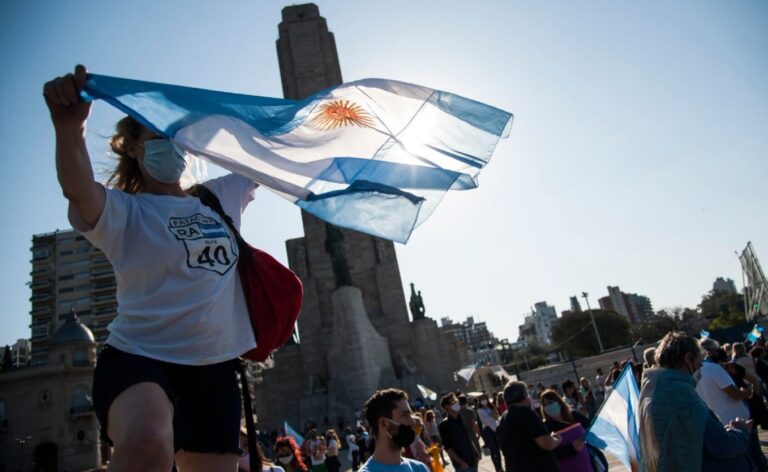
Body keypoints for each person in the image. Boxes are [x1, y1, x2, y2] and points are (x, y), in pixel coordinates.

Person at [44, 65, 260, 471]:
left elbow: (268, 152)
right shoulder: (124, 212)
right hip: (140, 358)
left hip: (214, 371)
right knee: (147, 444)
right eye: (158, 137)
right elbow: (78, 189)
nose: (172, 147)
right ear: (134, 148)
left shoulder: (219, 197)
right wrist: (68, 129)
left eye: (176, 137)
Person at [639, 331, 753, 471]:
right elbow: (722, 446)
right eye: (699, 363)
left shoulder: (651, 390)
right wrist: (741, 430)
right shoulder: (680, 394)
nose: (700, 370)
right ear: (687, 359)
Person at [358, 388, 429, 472]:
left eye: (411, 414)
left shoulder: (419, 468)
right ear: (384, 424)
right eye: (405, 415)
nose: (413, 422)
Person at [496, 381, 561, 472]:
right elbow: (547, 444)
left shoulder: (502, 419)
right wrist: (556, 439)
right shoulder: (526, 414)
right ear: (524, 396)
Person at [539, 389, 592, 472]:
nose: (548, 406)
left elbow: (592, 427)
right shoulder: (545, 427)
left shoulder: (574, 416)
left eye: (550, 402)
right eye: (545, 405)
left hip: (585, 466)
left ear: (559, 402)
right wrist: (572, 448)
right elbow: (548, 455)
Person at [438, 393, 480, 472]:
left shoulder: (461, 419)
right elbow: (448, 448)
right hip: (462, 465)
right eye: (453, 402)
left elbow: (468, 438)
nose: (456, 404)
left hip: (473, 460)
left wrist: (476, 453)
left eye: (456, 401)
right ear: (447, 406)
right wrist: (461, 462)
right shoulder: (444, 424)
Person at [475, 394, 502, 472]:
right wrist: (493, 415)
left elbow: (497, 417)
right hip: (488, 430)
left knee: (498, 449)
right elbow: (485, 421)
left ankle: (499, 466)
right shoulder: (479, 410)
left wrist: (494, 412)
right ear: (480, 401)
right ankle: (497, 468)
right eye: (482, 400)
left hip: (496, 429)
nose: (484, 401)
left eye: (485, 399)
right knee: (493, 450)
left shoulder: (491, 407)